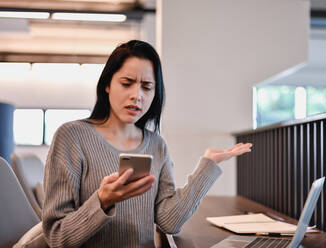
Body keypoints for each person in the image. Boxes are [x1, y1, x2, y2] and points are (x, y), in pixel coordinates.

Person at [42, 40, 252, 248]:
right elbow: (58, 237)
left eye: (147, 87)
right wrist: (102, 201)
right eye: (126, 83)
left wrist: (208, 165)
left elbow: (169, 221)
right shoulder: (72, 136)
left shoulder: (157, 145)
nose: (137, 95)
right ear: (107, 84)